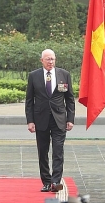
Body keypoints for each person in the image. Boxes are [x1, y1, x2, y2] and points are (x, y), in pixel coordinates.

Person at [25, 49, 75, 193]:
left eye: (52, 59)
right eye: (47, 59)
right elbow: (29, 101)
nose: (50, 62)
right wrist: (30, 121)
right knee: (43, 152)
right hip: (41, 119)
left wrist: (70, 118)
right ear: (42, 60)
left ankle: (55, 182)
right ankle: (46, 181)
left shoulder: (64, 75)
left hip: (59, 119)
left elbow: (70, 99)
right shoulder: (33, 76)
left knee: (58, 152)